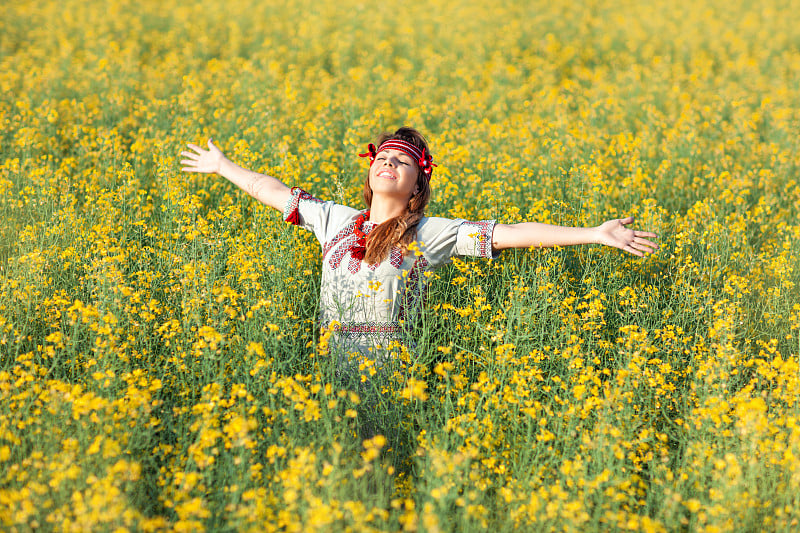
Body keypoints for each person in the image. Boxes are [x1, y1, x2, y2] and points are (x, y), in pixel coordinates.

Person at [180, 126, 658, 410]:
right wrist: (224, 166)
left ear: (415, 185)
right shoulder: (336, 220)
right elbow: (273, 190)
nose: (387, 164)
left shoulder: (431, 233)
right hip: (327, 358)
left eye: (401, 162)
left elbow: (511, 233)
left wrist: (594, 233)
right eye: (382, 157)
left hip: (388, 362)